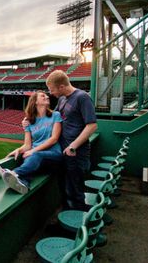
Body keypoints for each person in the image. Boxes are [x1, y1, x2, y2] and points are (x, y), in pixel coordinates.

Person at [26, 70, 97, 210]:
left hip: (76, 154)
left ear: (61, 87)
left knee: (75, 192)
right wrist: (28, 120)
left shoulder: (82, 97)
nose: (51, 93)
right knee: (64, 190)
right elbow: (50, 116)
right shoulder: (62, 99)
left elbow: (92, 125)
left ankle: (77, 228)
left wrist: (73, 146)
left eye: (52, 90)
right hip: (62, 153)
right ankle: (65, 224)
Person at [0, 90, 63, 194]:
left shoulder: (55, 115)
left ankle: (13, 173)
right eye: (43, 96)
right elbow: (27, 145)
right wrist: (19, 149)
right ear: (35, 101)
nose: (47, 97)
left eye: (46, 95)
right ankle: (23, 184)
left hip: (53, 154)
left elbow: (54, 139)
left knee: (35, 155)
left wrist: (33, 151)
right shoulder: (29, 121)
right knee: (27, 157)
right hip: (37, 156)